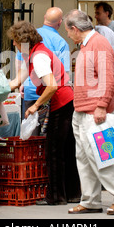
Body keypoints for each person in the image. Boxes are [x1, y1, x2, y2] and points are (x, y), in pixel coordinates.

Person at [64, 9, 114, 215]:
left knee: (98, 155)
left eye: (68, 31)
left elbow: (107, 77)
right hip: (84, 109)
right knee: (85, 157)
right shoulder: (88, 44)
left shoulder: (98, 43)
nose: (68, 35)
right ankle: (90, 199)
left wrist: (102, 104)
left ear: (75, 29)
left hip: (93, 109)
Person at [8, 21, 80, 205]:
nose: (14, 45)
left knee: (53, 151)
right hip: (67, 101)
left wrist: (36, 105)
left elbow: (52, 86)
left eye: (15, 41)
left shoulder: (38, 57)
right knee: (67, 150)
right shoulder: (35, 52)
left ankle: (56, 196)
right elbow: (18, 80)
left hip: (61, 102)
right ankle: (72, 193)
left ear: (22, 40)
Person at [16, 7, 70, 137]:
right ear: (60, 22)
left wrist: (21, 83)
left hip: (30, 91)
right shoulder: (61, 42)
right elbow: (65, 71)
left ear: (44, 17)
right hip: (51, 97)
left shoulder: (29, 38)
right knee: (50, 135)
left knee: (30, 135)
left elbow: (21, 63)